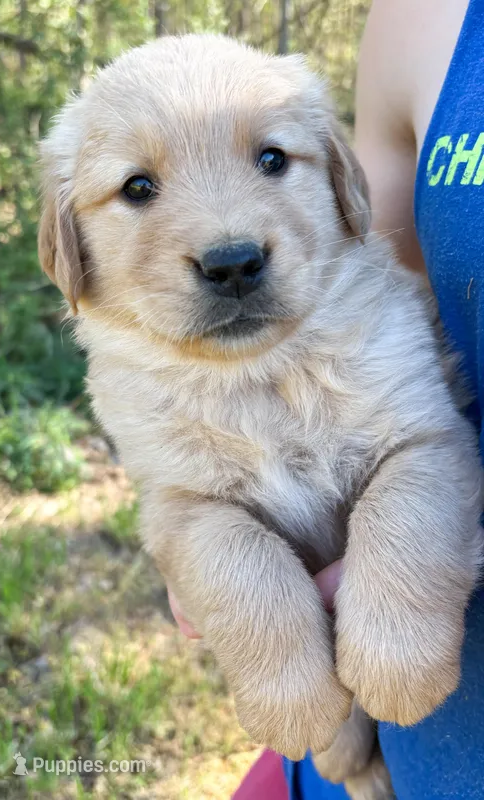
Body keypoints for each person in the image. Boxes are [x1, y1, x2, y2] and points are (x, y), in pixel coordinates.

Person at [170, 0, 484, 795]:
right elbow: (396, 258)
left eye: (271, 158)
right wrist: (221, 567)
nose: (225, 238)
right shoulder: (421, 17)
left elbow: (421, 431)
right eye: (140, 187)